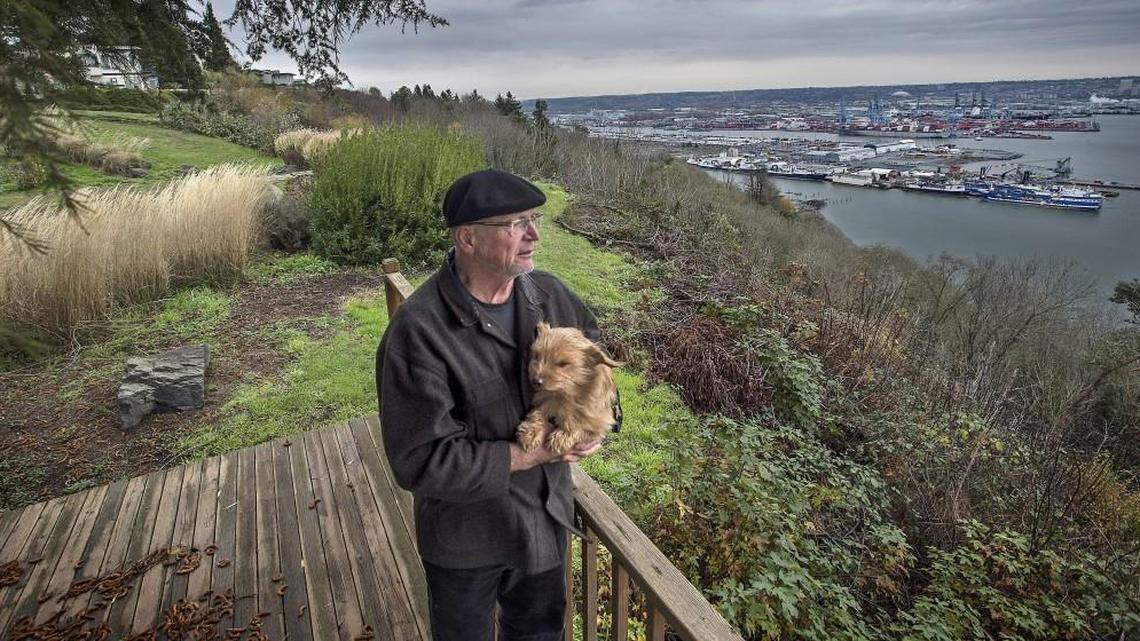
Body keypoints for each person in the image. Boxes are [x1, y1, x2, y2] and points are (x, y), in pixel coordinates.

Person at [375, 168, 613, 641]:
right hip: (466, 540)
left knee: (539, 635)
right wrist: (532, 453)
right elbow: (419, 461)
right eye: (515, 224)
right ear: (467, 238)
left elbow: (600, 366)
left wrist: (599, 426)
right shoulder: (418, 334)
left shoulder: (550, 296)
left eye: (533, 218)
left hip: (544, 522)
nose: (533, 235)